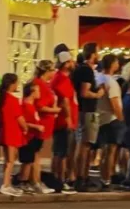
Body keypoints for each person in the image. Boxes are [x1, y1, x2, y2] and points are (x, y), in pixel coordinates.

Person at [73, 43, 104, 192]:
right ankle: (80, 178)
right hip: (86, 110)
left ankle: (83, 176)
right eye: (98, 52)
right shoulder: (86, 70)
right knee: (84, 145)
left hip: (84, 110)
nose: (99, 55)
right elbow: (84, 92)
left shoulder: (81, 69)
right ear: (92, 53)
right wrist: (98, 94)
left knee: (86, 144)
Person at [95, 54, 125, 189]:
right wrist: (121, 118)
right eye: (117, 62)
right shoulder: (111, 82)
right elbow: (114, 102)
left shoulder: (98, 78)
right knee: (111, 150)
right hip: (111, 119)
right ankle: (107, 177)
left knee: (104, 150)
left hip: (100, 117)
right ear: (112, 64)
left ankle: (103, 176)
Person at [50, 50, 78, 194]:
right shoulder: (62, 79)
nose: (73, 63)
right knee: (62, 152)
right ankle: (59, 179)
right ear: (66, 64)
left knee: (59, 151)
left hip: (61, 119)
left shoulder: (58, 78)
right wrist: (68, 119)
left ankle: (57, 178)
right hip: (63, 120)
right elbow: (66, 101)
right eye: (71, 61)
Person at [32, 59, 60, 192]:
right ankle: (35, 181)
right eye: (52, 70)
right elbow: (40, 106)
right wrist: (55, 110)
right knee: (35, 154)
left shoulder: (45, 85)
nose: (54, 72)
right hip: (40, 123)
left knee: (38, 153)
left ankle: (36, 180)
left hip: (47, 123)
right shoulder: (38, 85)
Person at [18, 81, 47, 194]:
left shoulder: (32, 106)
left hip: (35, 136)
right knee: (27, 161)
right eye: (37, 90)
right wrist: (36, 126)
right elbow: (23, 121)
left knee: (32, 160)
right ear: (32, 91)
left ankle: (31, 181)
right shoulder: (25, 105)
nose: (39, 93)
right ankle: (23, 181)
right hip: (28, 137)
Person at [0, 74, 25, 197]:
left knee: (7, 159)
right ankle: (6, 184)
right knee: (11, 160)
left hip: (5, 131)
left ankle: (7, 183)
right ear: (12, 84)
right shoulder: (13, 99)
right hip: (12, 132)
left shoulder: (3, 99)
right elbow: (19, 117)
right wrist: (25, 128)